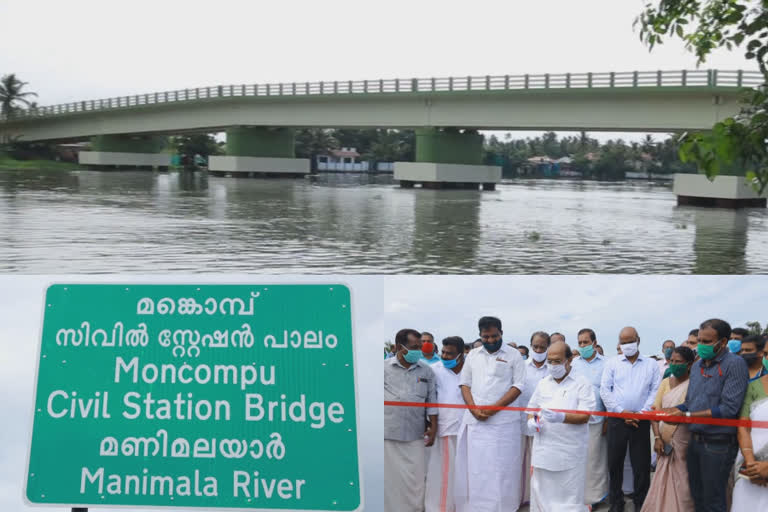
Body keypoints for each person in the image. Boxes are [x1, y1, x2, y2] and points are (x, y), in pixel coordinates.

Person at [661, 319, 749, 512]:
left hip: (718, 444)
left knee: (714, 500)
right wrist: (675, 410)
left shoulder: (734, 364)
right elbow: (692, 401)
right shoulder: (698, 365)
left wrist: (687, 414)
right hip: (695, 441)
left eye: (707, 341)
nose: (701, 345)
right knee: (697, 497)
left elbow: (729, 409)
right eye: (699, 340)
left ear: (723, 342)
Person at [455, 316, 526, 512]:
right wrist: (473, 409)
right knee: (478, 469)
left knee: (503, 469)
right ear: (480, 335)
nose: (491, 340)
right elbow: (465, 384)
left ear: (501, 333)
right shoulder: (473, 355)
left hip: (504, 424)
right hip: (476, 422)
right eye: (486, 337)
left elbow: (518, 385)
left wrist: (495, 408)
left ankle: (506, 507)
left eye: (495, 336)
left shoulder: (514, 355)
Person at [526, 341, 596, 511]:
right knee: (541, 496)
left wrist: (561, 417)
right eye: (549, 361)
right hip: (543, 452)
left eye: (557, 361)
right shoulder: (543, 383)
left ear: (569, 359)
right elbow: (532, 408)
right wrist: (532, 421)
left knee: (568, 500)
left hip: (569, 453)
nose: (552, 365)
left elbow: (585, 415)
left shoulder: (582, 383)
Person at [600, 327, 662, 512]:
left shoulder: (651, 364)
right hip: (617, 420)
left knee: (641, 465)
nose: (626, 345)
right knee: (614, 463)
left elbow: (655, 390)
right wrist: (621, 412)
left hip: (640, 421)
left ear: (638, 340)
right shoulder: (612, 363)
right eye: (623, 341)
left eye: (630, 341)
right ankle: (616, 503)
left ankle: (641, 503)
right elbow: (605, 390)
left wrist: (640, 413)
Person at [384, 328, 438, 512]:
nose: (419, 350)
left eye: (420, 346)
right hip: (388, 434)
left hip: (416, 433)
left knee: (416, 479)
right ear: (399, 347)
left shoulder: (426, 370)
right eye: (414, 347)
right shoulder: (383, 368)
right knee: (390, 479)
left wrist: (433, 428)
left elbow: (432, 401)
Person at [640, 346, 696, 512]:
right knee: (662, 483)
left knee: (684, 486)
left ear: (689, 364)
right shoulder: (665, 382)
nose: (674, 364)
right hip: (664, 443)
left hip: (685, 443)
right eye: (671, 361)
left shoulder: (694, 385)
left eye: (678, 362)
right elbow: (654, 412)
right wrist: (657, 438)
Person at [425, 336, 466, 512]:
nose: (444, 356)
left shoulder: (470, 371)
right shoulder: (434, 370)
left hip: (467, 430)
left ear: (461, 355)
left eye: (450, 354)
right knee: (442, 473)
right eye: (443, 352)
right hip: (444, 428)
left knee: (463, 473)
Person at [572, 327, 609, 507]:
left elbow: (609, 393)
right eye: (580, 343)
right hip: (577, 420)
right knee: (578, 460)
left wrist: (607, 420)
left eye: (585, 342)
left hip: (598, 420)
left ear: (594, 343)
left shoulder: (606, 363)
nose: (582, 345)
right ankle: (578, 496)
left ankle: (595, 498)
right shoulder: (573, 364)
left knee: (595, 460)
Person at [732, 340, 768, 510]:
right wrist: (751, 464)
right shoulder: (753, 387)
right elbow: (743, 427)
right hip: (751, 469)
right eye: (767, 354)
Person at [517, 331, 551, 506]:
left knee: (539, 464)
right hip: (521, 423)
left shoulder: (552, 369)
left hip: (545, 425)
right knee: (520, 464)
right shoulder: (521, 366)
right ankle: (522, 498)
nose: (538, 350)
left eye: (542, 347)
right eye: (535, 346)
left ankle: (538, 500)